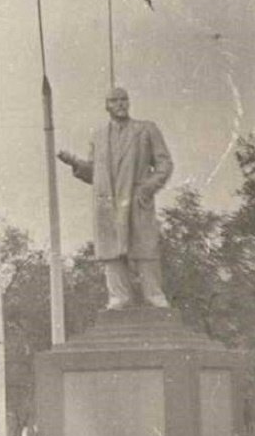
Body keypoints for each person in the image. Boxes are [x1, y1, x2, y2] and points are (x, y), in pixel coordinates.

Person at [58, 87, 173, 309]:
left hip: (136, 196)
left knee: (145, 246)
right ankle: (119, 295)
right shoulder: (99, 136)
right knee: (111, 250)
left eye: (124, 99)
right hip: (108, 201)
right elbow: (95, 173)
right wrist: (75, 163)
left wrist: (149, 187)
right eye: (115, 100)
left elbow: (164, 163)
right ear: (107, 106)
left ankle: (154, 294)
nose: (121, 104)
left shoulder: (146, 129)